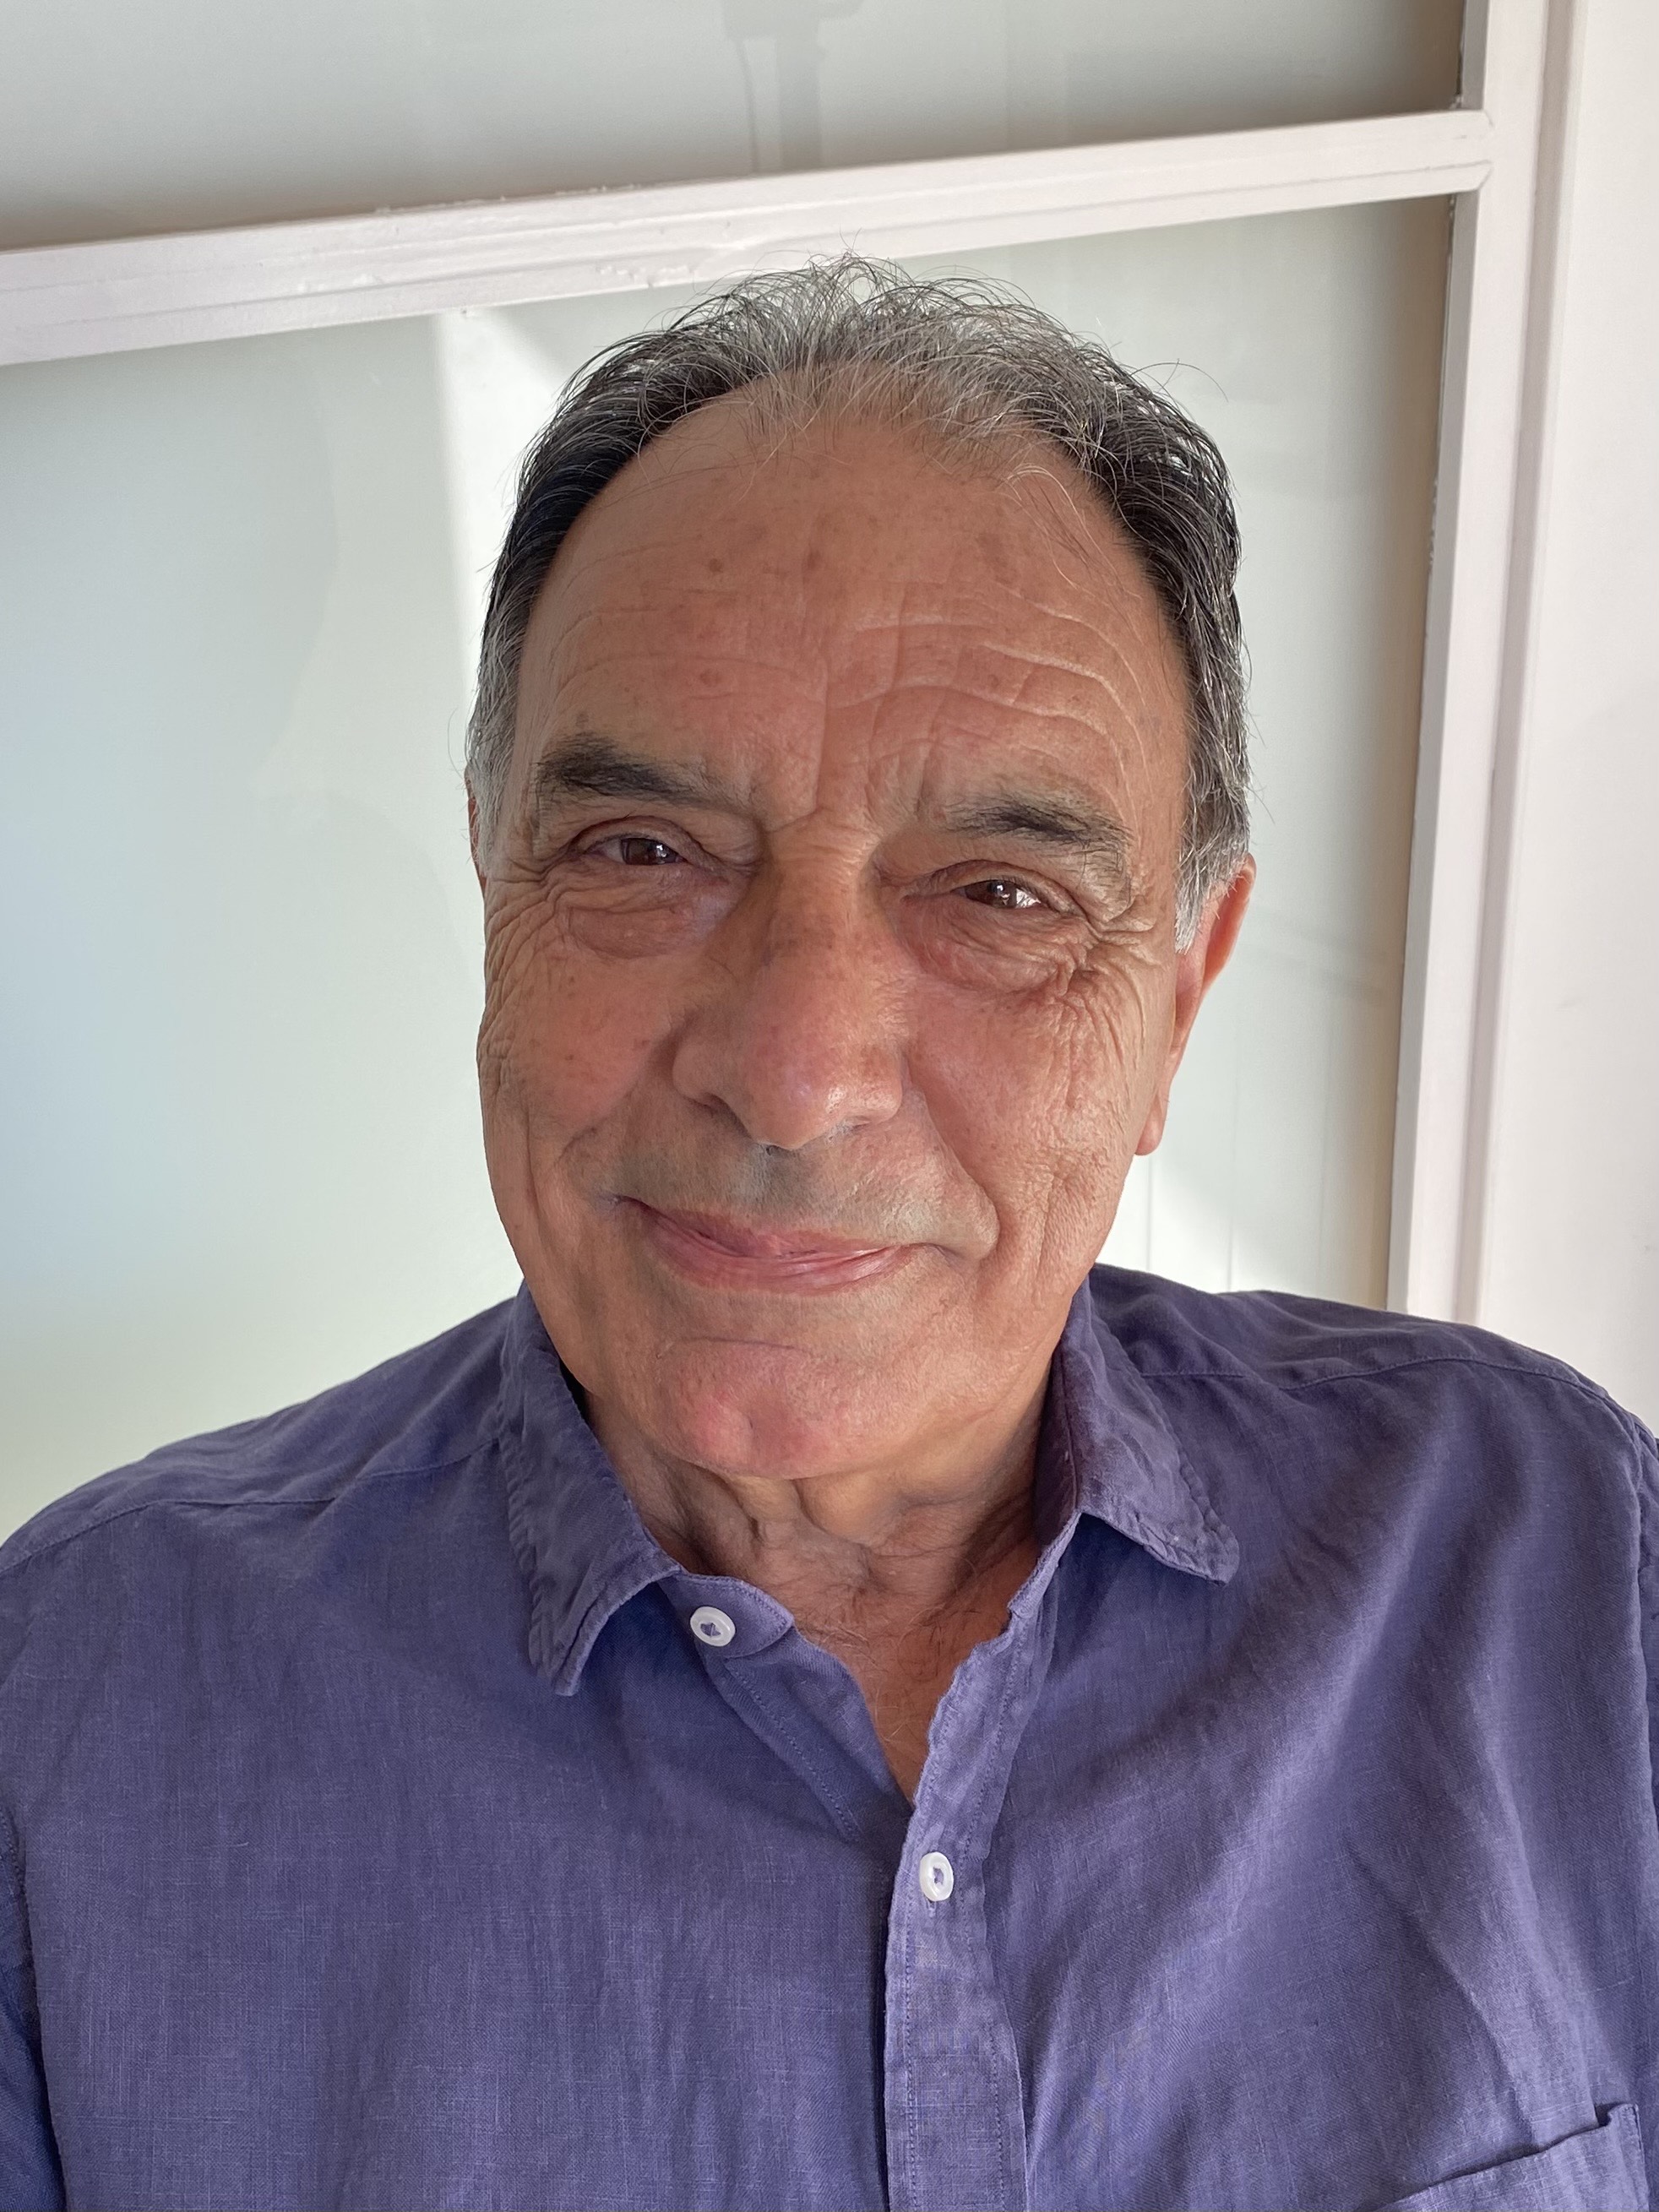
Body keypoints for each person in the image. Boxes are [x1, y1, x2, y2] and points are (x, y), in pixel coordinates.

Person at [2, 258, 1655, 2212]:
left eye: (1002, 892)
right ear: (493, 889)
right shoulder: (71, 1719)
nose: (793, 1076)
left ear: (1176, 998)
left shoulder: (1549, 1562)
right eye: (641, 852)